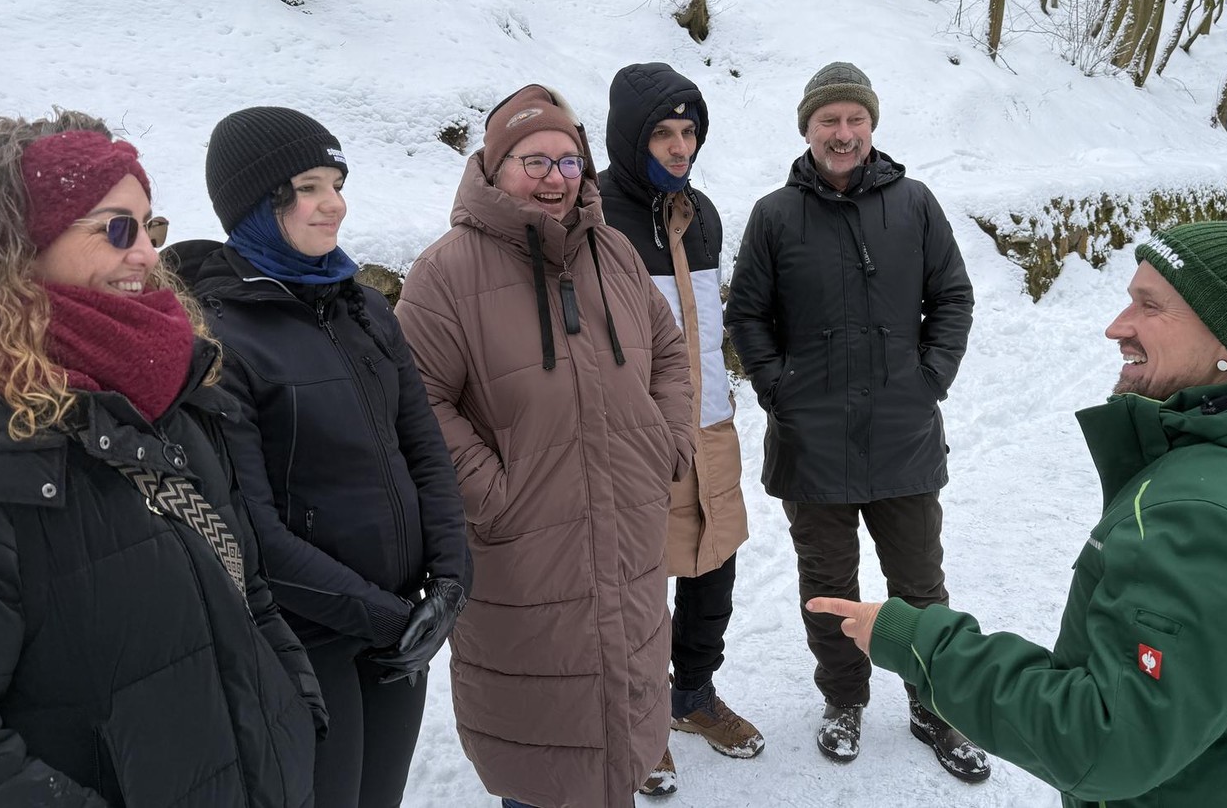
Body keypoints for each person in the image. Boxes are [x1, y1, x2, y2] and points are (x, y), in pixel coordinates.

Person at [812, 220, 1227, 808]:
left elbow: (1105, 740)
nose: (1116, 327)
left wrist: (918, 640)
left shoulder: (1211, 519)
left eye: (1150, 306)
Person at [0, 111, 322, 806]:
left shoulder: (168, 399)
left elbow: (249, 595)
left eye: (149, 227)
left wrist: (296, 712)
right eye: (115, 228)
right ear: (18, 247)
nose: (148, 255)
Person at [394, 84, 695, 808]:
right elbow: (414, 398)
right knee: (544, 744)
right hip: (523, 552)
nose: (555, 178)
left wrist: (667, 443)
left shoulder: (613, 253)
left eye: (569, 161)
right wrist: (492, 491)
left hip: (628, 535)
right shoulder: (445, 273)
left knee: (622, 721)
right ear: (495, 168)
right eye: (535, 160)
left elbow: (668, 350)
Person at [164, 106, 470, 808]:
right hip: (303, 637)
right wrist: (396, 620)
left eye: (337, 181)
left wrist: (451, 580)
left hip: (400, 624)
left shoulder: (363, 307)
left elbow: (423, 448)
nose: (334, 203)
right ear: (255, 203)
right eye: (309, 186)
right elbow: (253, 529)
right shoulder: (217, 333)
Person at [724, 61, 985, 782]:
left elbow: (953, 298)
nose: (843, 134)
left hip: (903, 433)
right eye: (828, 121)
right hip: (813, 444)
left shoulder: (916, 204)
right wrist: (781, 390)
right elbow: (746, 314)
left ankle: (934, 705)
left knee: (920, 588)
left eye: (855, 120)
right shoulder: (776, 215)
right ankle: (843, 699)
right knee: (828, 587)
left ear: (872, 125)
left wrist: (930, 377)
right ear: (807, 129)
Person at [599, 62, 762, 797]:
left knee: (713, 567)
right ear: (630, 138)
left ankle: (691, 697)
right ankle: (638, 720)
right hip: (633, 436)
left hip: (710, 425)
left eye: (688, 131)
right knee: (635, 586)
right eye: (662, 133)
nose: (678, 146)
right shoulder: (593, 216)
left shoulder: (703, 213)